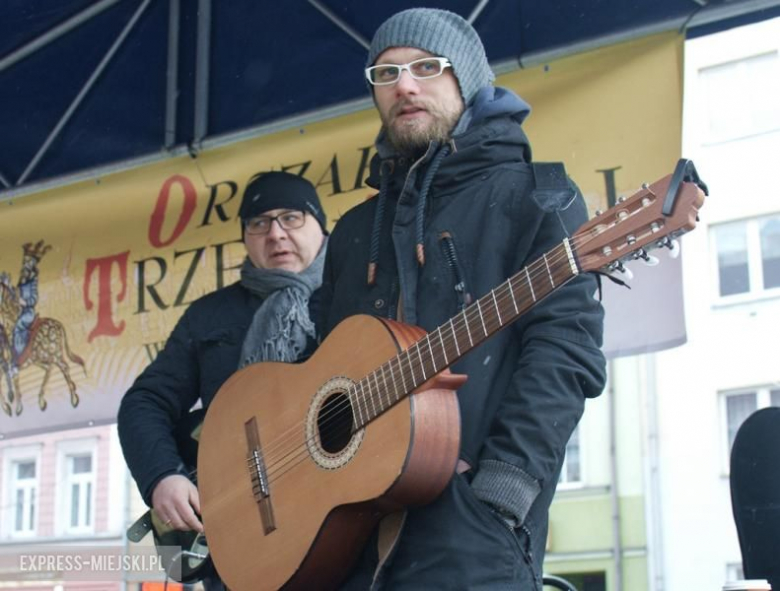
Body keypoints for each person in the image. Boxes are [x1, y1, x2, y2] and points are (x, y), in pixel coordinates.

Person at [319, 8, 607, 590]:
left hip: (472, 541)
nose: (403, 85)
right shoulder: (352, 232)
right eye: (385, 74)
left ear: (467, 78)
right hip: (342, 535)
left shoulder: (537, 196)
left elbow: (564, 355)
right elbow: (318, 369)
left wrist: (503, 493)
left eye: (425, 67)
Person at [117, 171, 328, 588]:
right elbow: (145, 402)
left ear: (321, 226)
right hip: (241, 546)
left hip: (340, 535)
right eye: (259, 223)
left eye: (291, 217)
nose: (276, 234)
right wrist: (163, 476)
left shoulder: (357, 294)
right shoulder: (209, 315)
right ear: (246, 238)